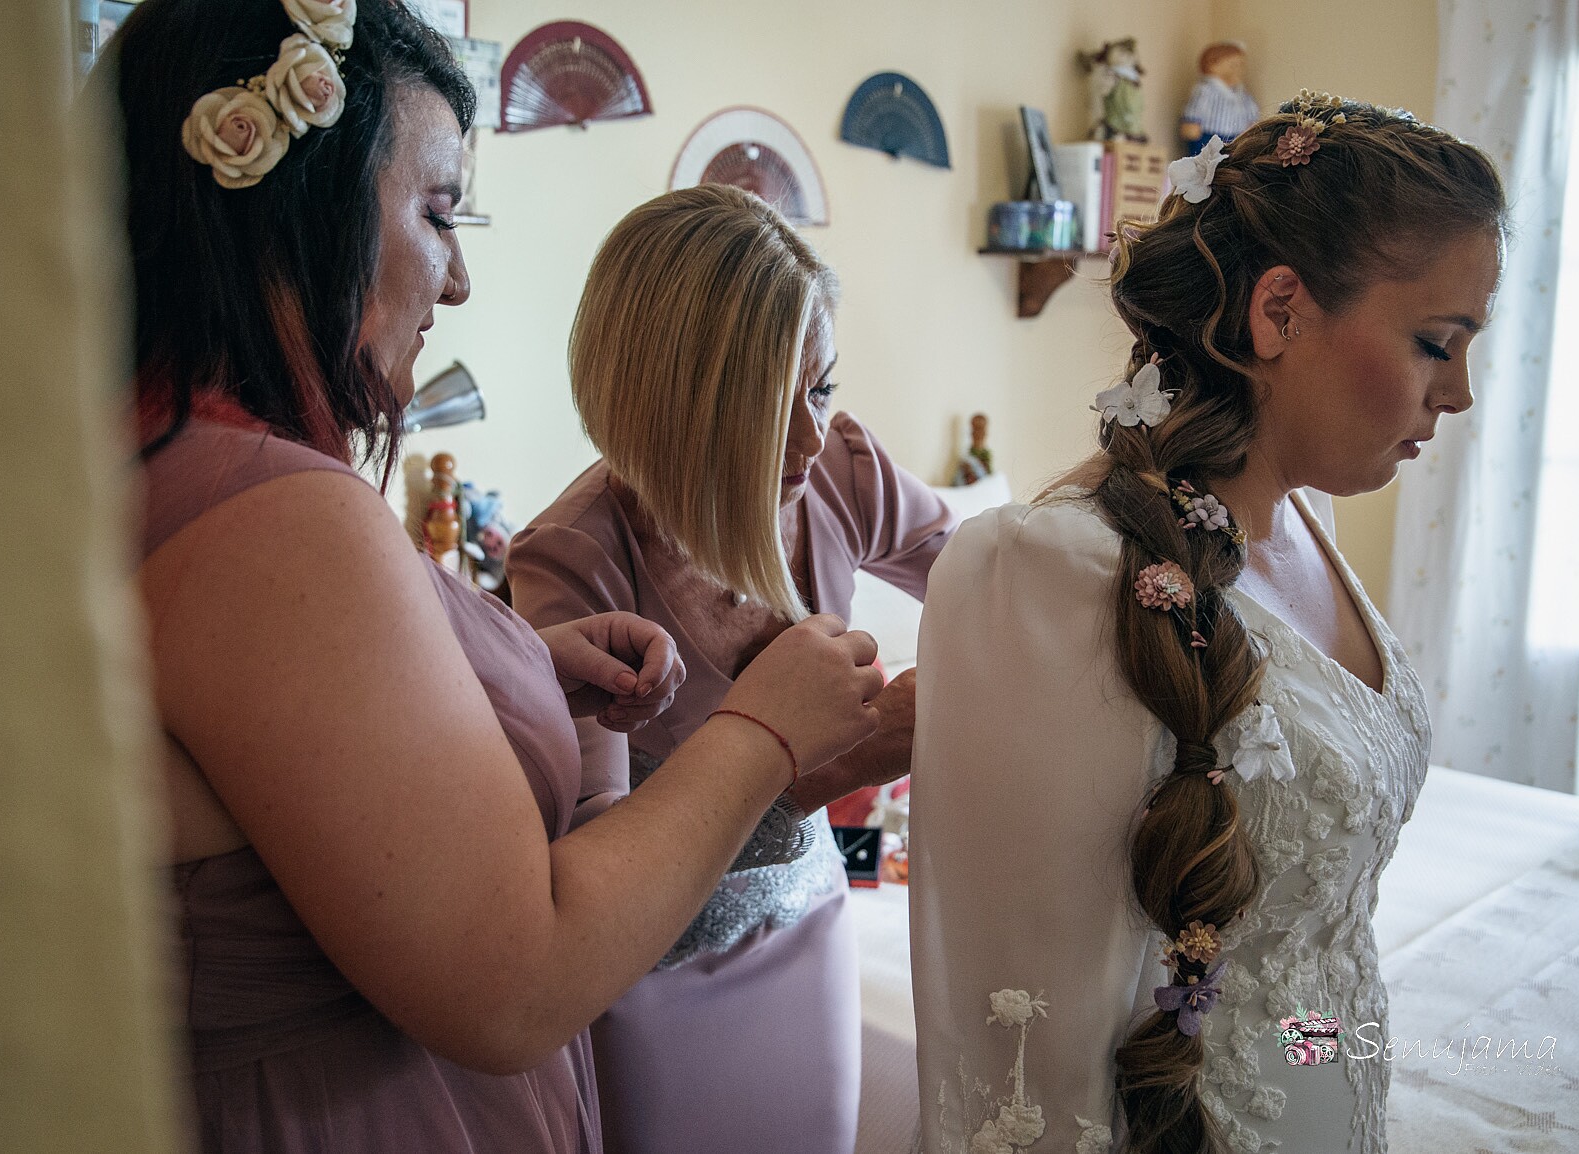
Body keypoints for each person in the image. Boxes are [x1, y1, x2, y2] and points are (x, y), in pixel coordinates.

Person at [113, 2, 885, 1150]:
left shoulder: (166, 461)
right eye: (436, 213)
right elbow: (516, 975)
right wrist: (762, 729)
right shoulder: (270, 517)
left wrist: (507, 668)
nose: (460, 278)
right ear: (298, 211)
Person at [910, 94, 1505, 1154]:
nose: (1459, 393)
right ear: (1278, 310)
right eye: (1435, 342)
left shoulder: (1304, 523)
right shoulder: (1060, 573)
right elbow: (1032, 1041)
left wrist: (1333, 1072)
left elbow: (1307, 958)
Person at [508, 184, 956, 1154]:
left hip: (811, 931)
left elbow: (1004, 585)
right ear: (672, 403)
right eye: (770, 401)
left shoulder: (839, 468)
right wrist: (831, 761)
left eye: (824, 386)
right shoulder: (572, 563)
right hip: (660, 989)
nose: (808, 435)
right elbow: (601, 864)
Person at [1181, 42, 1261, 155]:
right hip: (1209, 139)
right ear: (1213, 66)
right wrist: (1191, 127)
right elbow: (1195, 113)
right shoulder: (1205, 91)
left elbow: (1252, 115)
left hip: (1236, 140)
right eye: (1233, 65)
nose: (1239, 70)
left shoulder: (1242, 94)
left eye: (1241, 65)